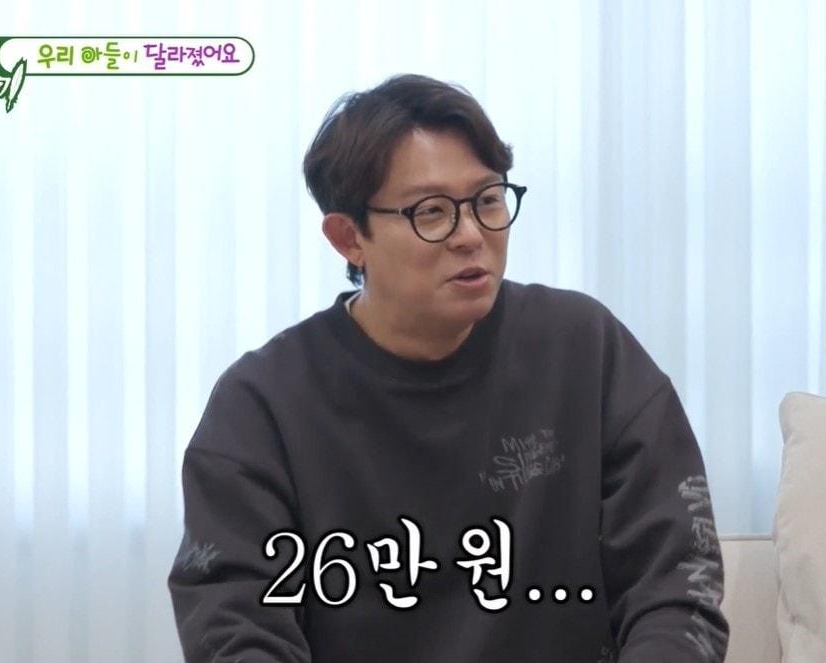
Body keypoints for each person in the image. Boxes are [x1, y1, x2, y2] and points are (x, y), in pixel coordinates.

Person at [168, 73, 728, 663]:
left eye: (487, 200)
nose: (470, 235)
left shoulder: (586, 350)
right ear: (348, 238)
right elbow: (236, 627)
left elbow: (677, 585)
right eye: (431, 212)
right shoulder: (261, 406)